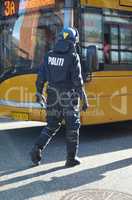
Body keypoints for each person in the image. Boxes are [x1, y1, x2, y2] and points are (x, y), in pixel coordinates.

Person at [30, 27, 89, 167]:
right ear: (72, 41)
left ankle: (36, 149)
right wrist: (84, 99)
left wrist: (39, 93)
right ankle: (71, 159)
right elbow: (78, 81)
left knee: (51, 125)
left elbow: (40, 78)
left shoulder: (49, 55)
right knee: (72, 127)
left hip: (52, 95)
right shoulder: (73, 56)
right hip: (68, 97)